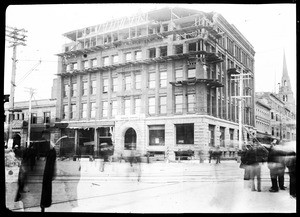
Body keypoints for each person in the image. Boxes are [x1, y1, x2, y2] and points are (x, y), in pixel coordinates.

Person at [40, 141, 57, 212]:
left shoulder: (51, 152)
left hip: (48, 171)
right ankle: (45, 203)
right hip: (48, 171)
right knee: (47, 187)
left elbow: (52, 162)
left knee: (46, 187)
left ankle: (44, 203)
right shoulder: (52, 152)